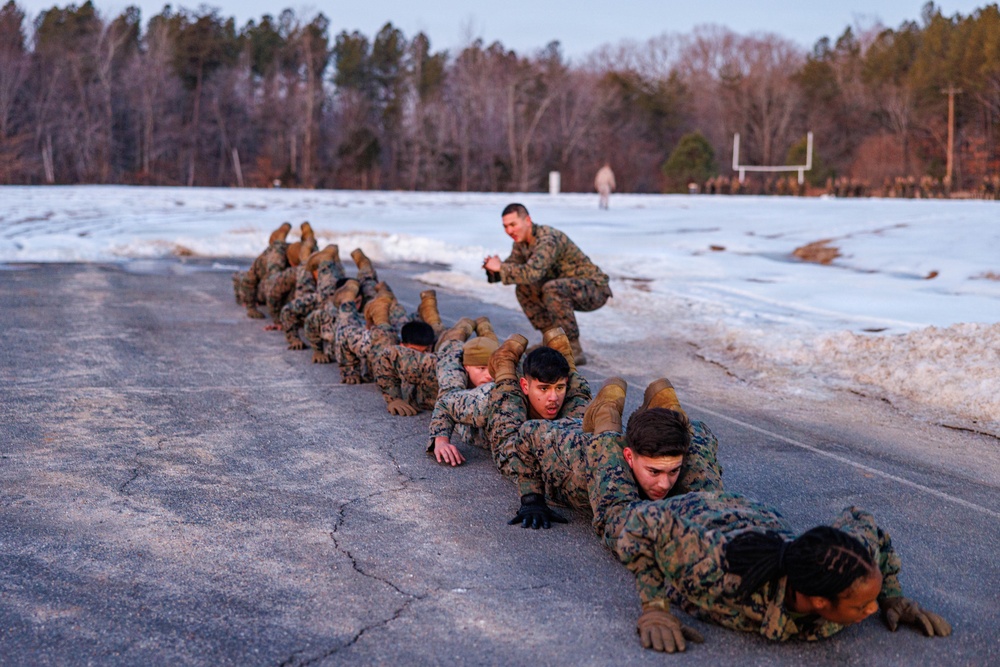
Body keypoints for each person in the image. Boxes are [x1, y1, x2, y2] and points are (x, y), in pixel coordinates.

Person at [584, 409, 952, 653]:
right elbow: (646, 525)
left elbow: (865, 524)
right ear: (820, 601)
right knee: (616, 513)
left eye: (869, 603)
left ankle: (672, 420)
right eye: (862, 604)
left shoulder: (840, 567)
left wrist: (891, 596)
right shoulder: (715, 567)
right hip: (694, 521)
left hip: (742, 511)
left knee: (689, 475)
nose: (870, 610)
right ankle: (606, 430)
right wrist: (654, 608)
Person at [486, 334, 723, 528]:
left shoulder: (685, 454)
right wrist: (531, 498)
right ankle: (506, 364)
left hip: (584, 435)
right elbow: (528, 433)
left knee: (575, 407)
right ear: (629, 457)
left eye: (672, 472)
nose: (664, 484)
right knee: (509, 442)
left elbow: (701, 440)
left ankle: (599, 403)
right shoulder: (579, 459)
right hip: (560, 449)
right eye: (654, 472)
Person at [482, 203, 611, 365]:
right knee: (524, 288)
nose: (509, 231)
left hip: (594, 289)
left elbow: (532, 272)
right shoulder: (521, 242)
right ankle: (553, 341)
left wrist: (501, 267)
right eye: (505, 226)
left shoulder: (547, 239)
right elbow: (513, 269)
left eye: (513, 225)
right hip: (566, 287)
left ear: (527, 220)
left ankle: (572, 350)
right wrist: (493, 269)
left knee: (551, 288)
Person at [482, 330, 593, 485]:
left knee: (581, 429)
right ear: (524, 386)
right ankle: (504, 364)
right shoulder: (486, 400)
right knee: (510, 454)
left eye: (560, 387)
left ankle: (568, 364)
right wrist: (439, 438)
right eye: (544, 389)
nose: (553, 398)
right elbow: (447, 401)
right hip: (500, 421)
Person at [427, 317, 499, 466]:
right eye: (481, 368)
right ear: (467, 367)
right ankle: (465, 324)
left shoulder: (505, 369)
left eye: (493, 369)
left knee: (492, 345)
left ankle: (485, 328)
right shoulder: (454, 371)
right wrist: (440, 440)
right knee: (453, 340)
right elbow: (446, 401)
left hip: (491, 354)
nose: (489, 375)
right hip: (453, 352)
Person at [233, 222, 291, 319]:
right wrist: (251, 307)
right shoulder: (271, 259)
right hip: (261, 288)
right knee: (242, 281)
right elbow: (250, 280)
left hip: (271, 285)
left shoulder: (286, 252)